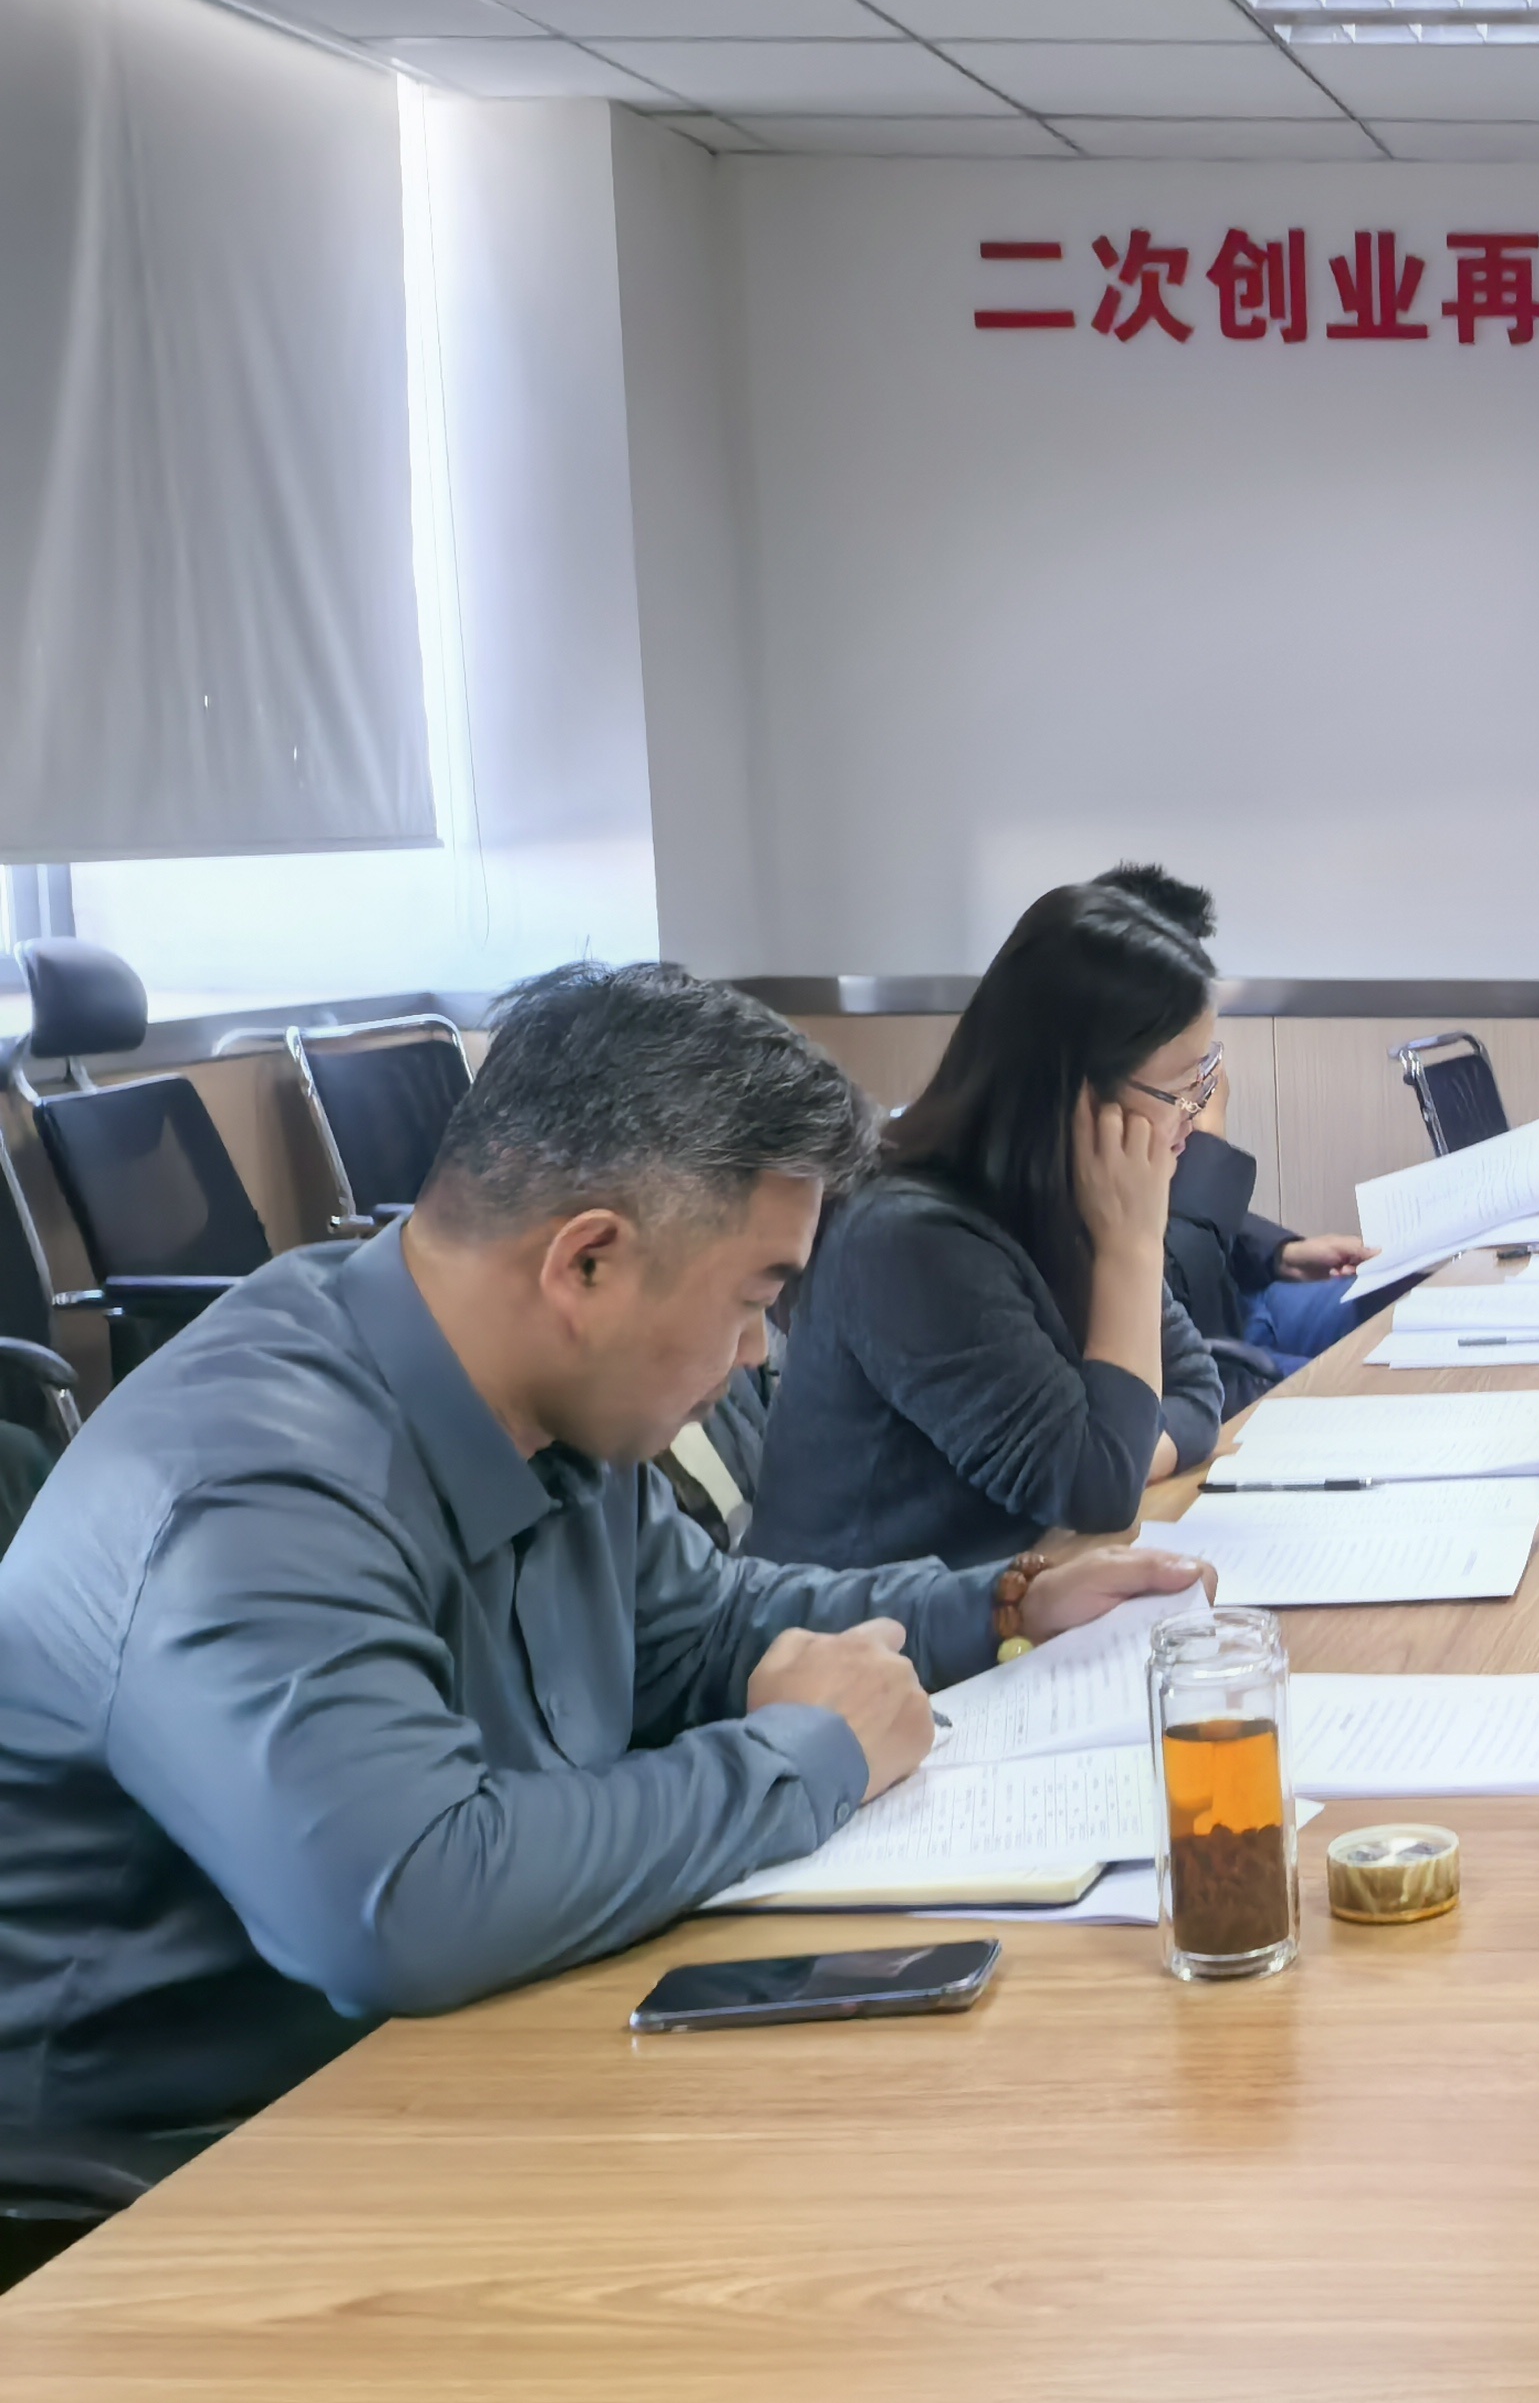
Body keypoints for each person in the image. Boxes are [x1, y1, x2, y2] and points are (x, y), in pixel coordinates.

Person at [0, 962, 1205, 2188]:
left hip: (451, 2065)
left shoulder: (548, 1397)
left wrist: (1004, 1607)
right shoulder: (248, 1485)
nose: (757, 1354)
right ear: (586, 1263)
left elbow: (700, 1632)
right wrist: (809, 1753)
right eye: (755, 1297)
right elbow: (409, 1904)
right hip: (166, 2186)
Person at [749, 869, 1234, 1569]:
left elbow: (1196, 1391)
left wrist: (1125, 1454)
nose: (1193, 1116)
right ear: (1078, 1093)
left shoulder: (1071, 1200)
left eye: (1202, 1082)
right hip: (871, 1629)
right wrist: (1131, 1249)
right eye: (1180, 1090)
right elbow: (1098, 1490)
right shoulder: (907, 1242)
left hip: (1023, 1593)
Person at [1085, 867, 1374, 1383]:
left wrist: (1280, 1253)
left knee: (1403, 1299)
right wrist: (1205, 1135)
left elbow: (1184, 1213)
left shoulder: (1163, 1075)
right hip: (1201, 1350)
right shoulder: (1089, 1116)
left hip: (1242, 1298)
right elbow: (1167, 1283)